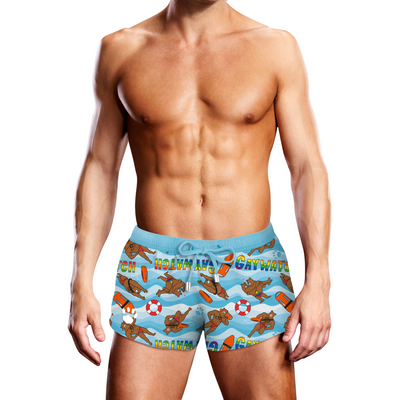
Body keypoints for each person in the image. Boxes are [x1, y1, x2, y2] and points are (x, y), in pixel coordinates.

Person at [68, 1, 331, 399]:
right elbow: (101, 167)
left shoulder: (274, 48)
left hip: (251, 267)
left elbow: (307, 169)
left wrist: (319, 280)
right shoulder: (122, 49)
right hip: (153, 268)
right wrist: (80, 281)